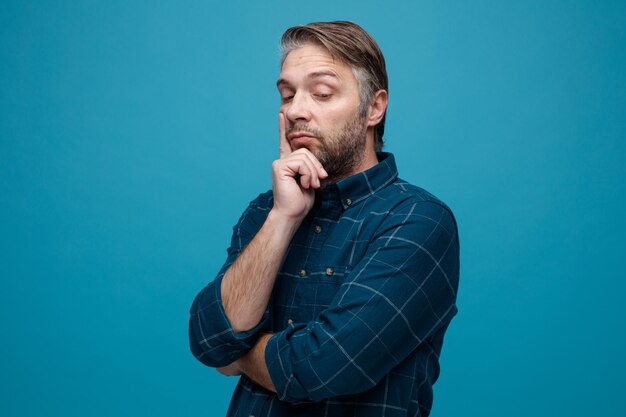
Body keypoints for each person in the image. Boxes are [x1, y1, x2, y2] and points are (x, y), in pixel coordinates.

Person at [189, 21, 460, 417]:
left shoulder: (418, 221)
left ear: (374, 107)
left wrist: (238, 355)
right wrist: (283, 218)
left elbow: (325, 366)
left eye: (321, 93)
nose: (296, 110)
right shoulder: (266, 211)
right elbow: (208, 340)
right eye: (287, 94)